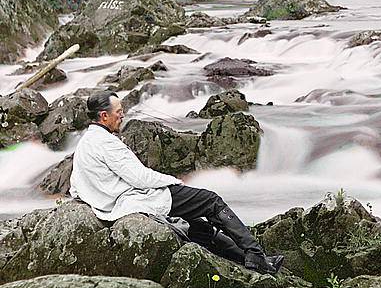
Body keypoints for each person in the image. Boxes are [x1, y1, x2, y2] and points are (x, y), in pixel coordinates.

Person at [69, 90, 282, 275]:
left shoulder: (85, 143)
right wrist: (173, 181)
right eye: (119, 111)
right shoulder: (107, 144)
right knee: (211, 201)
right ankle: (256, 254)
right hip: (131, 200)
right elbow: (141, 178)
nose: (122, 114)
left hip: (113, 204)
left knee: (197, 225)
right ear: (104, 116)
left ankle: (248, 259)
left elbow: (75, 186)